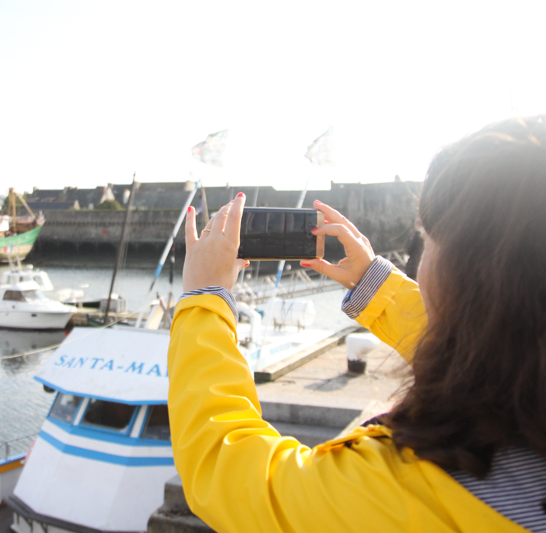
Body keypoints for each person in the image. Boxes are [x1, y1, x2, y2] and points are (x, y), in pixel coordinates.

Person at [168, 116, 546, 532]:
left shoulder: (393, 491)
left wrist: (204, 298)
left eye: (428, 238)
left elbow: (224, 465)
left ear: (466, 272)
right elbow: (503, 347)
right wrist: (376, 288)